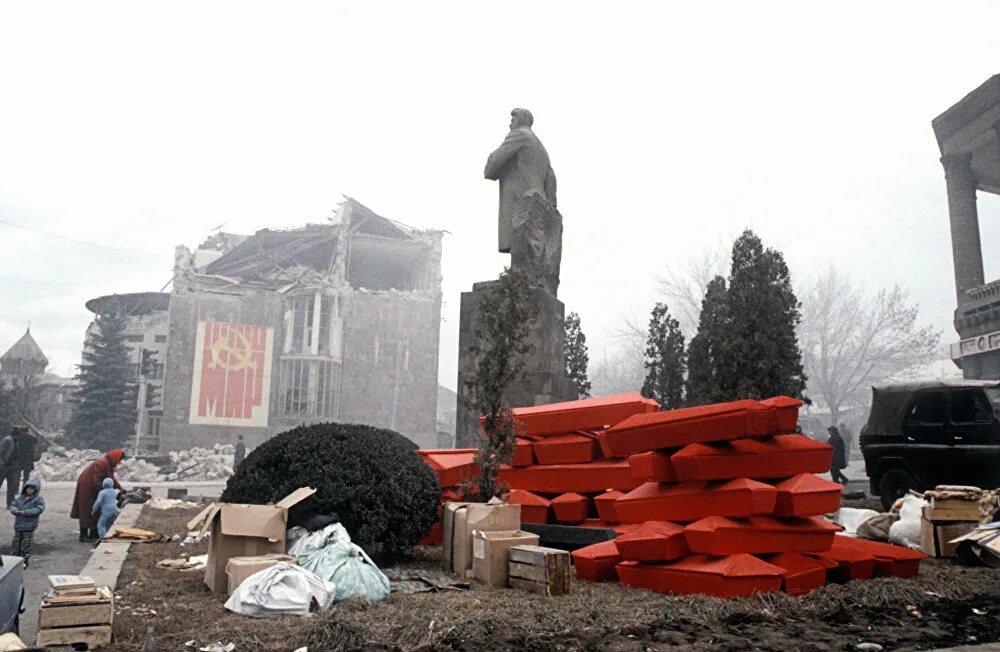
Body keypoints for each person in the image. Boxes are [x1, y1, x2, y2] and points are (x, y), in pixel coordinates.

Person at [70, 450, 125, 542]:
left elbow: (110, 478)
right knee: (87, 510)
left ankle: (93, 534)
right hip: (87, 486)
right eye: (119, 460)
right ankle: (83, 536)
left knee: (96, 511)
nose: (119, 462)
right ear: (116, 458)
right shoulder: (102, 463)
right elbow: (97, 481)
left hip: (92, 486)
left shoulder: (108, 463)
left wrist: (120, 488)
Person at [10, 477, 45, 567]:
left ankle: (24, 560)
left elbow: (39, 509)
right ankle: (14, 559)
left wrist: (25, 512)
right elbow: (13, 505)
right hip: (19, 525)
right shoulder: (20, 498)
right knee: (16, 543)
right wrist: (15, 510)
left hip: (29, 526)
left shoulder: (38, 499)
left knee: (26, 544)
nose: (29, 490)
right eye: (28, 488)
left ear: (36, 489)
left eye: (32, 488)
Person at [0, 428, 23, 508]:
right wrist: (1, 464)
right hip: (4, 466)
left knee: (12, 486)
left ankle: (10, 504)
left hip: (13, 466)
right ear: (17, 435)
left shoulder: (17, 442)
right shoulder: (7, 440)